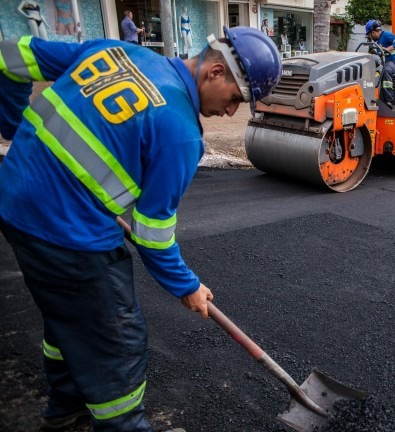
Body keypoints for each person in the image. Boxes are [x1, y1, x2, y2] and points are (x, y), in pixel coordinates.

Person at [0, 27, 281, 431]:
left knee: (71, 318)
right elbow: (152, 235)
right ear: (215, 72)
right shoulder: (180, 133)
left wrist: (15, 131)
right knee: (115, 340)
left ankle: (66, 410)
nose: (231, 112)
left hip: (13, 200)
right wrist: (187, 286)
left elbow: (10, 55)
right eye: (236, 98)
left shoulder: (115, 51)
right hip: (64, 233)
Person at [365, 19, 395, 107]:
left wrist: (386, 49)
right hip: (384, 63)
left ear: (373, 32)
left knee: (386, 70)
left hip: (393, 63)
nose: (370, 37)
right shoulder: (378, 42)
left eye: (370, 35)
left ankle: (389, 100)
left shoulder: (386, 35)